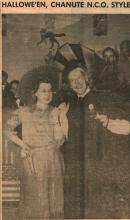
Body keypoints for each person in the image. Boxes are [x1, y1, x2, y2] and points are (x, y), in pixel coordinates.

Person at [61, 59, 130, 219]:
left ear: (86, 78)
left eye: (79, 78)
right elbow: (65, 133)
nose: (76, 83)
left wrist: (108, 122)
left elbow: (127, 127)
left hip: (98, 162)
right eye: (72, 81)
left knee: (97, 205)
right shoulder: (69, 105)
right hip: (76, 164)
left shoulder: (103, 98)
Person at [4, 77, 66, 219]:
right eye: (43, 91)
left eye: (50, 91)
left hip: (53, 159)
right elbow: (6, 129)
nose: (48, 94)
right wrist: (23, 145)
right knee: (35, 196)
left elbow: (60, 140)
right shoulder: (23, 111)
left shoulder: (57, 111)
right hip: (33, 159)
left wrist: (55, 120)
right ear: (35, 93)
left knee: (54, 198)